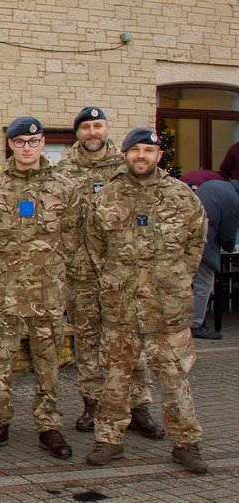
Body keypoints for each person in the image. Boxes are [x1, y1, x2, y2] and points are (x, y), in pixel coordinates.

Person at [85, 127, 209, 474]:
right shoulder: (106, 196)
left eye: (148, 150)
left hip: (166, 308)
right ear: (124, 154)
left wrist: (175, 278)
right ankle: (109, 440)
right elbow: (95, 247)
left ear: (159, 156)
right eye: (135, 150)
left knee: (174, 377)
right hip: (121, 304)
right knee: (115, 376)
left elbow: (196, 242)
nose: (141, 156)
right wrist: (114, 278)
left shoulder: (181, 197)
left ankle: (186, 444)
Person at [0, 116, 82, 459]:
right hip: (4, 292)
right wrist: (8, 268)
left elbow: (73, 235)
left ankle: (49, 426)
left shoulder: (64, 188)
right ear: (11, 145)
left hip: (47, 293)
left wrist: (47, 267)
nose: (27, 148)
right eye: (20, 142)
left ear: (43, 143)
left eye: (33, 142)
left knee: (48, 363)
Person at [59, 106, 161, 439]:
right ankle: (92, 404)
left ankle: (139, 406)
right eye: (86, 127)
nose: (92, 132)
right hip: (82, 274)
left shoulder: (127, 166)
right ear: (78, 133)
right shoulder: (64, 172)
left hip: (125, 272)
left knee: (132, 341)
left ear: (107, 129)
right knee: (87, 341)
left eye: (97, 126)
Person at [187, 177, 239, 340]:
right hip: (202, 240)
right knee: (204, 284)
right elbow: (228, 233)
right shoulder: (234, 200)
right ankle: (195, 324)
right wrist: (230, 249)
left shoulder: (217, 185)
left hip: (187, 236)